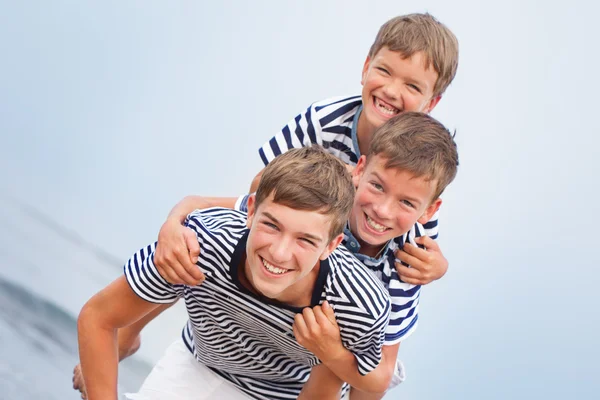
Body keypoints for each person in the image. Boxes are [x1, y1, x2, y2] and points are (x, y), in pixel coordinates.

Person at [157, 12, 460, 290]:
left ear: (430, 104)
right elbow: (259, 187)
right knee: (201, 237)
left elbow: (419, 241)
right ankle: (138, 317)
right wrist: (335, 178)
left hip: (347, 258)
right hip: (291, 221)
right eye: (385, 71)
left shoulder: (422, 165)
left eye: (412, 86)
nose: (392, 91)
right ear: (366, 68)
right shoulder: (325, 120)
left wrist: (439, 266)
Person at [77, 147, 392, 400]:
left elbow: (364, 387)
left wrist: (333, 353)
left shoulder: (354, 303)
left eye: (305, 240)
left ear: (331, 245)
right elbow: (99, 317)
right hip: (201, 362)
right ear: (251, 210)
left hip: (285, 391)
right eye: (271, 225)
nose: (279, 253)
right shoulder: (204, 241)